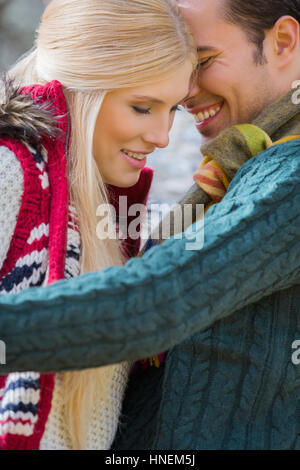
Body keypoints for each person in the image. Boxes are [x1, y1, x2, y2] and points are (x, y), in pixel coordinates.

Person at [0, 0, 300, 451]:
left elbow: (158, 296)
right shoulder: (233, 165)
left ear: (282, 42)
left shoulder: (287, 173)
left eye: (202, 61)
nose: (188, 88)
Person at [0, 0, 196, 450]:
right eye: (143, 107)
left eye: (175, 110)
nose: (163, 136)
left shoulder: (106, 209)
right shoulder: (12, 173)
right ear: (83, 90)